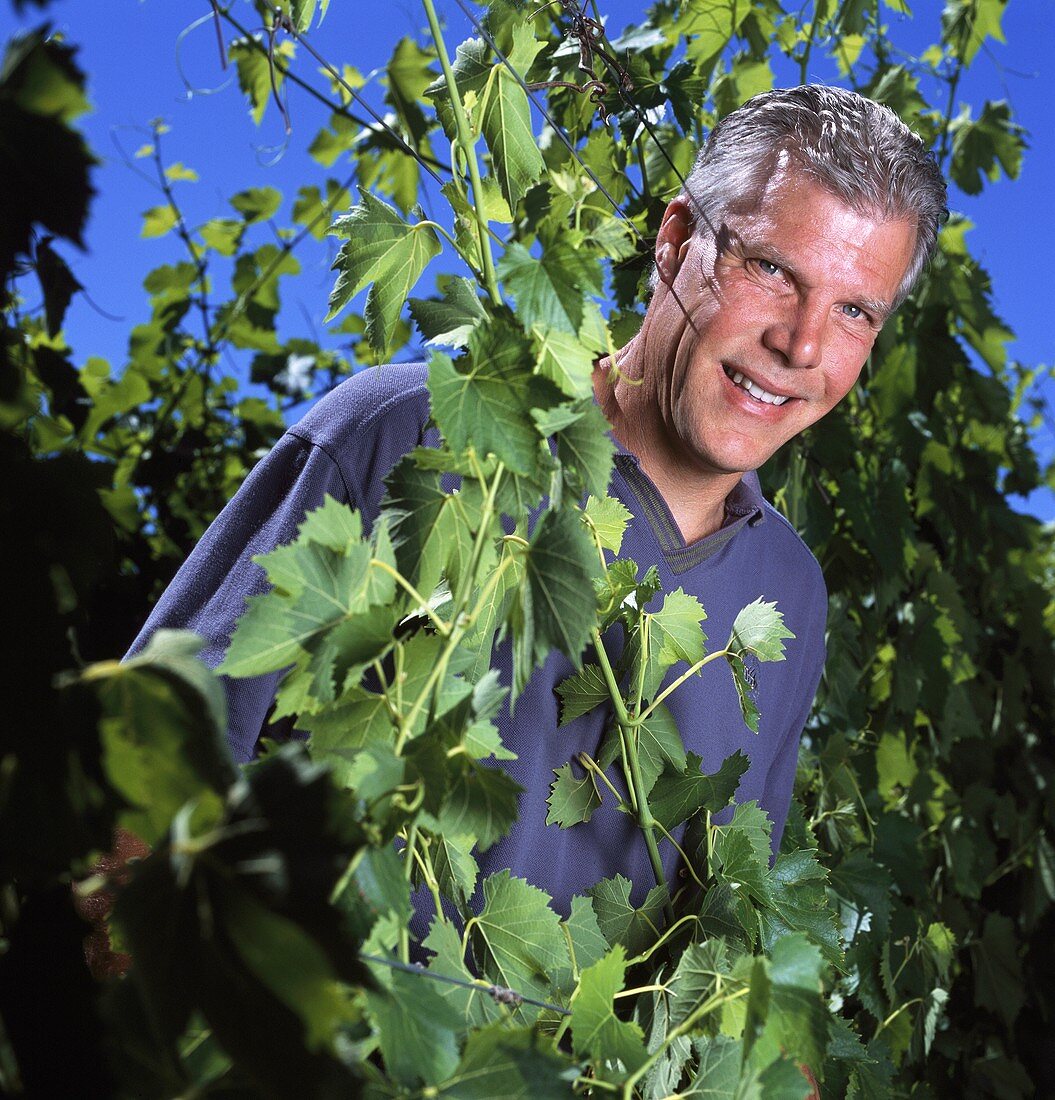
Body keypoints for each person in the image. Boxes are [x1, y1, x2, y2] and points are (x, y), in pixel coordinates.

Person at [128, 85, 946, 919]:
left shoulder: (792, 595)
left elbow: (730, 926)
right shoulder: (404, 430)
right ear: (674, 242)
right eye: (770, 270)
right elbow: (139, 764)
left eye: (852, 311)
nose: (800, 345)